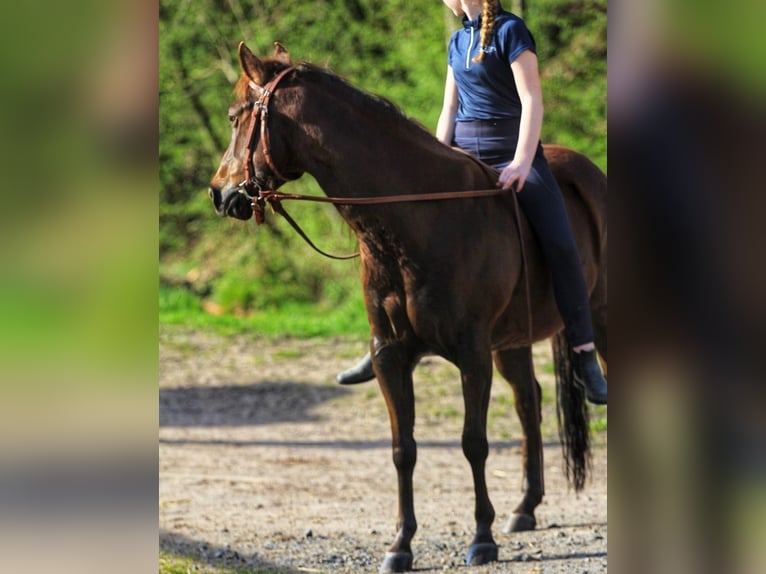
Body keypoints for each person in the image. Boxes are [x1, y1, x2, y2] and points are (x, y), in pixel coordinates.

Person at [336, 0, 607, 405]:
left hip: (513, 152)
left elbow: (532, 99)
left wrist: (520, 160)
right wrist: (434, 158)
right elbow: (449, 108)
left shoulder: (511, 31)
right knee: (405, 237)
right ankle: (389, 339)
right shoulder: (457, 39)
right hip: (464, 152)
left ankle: (585, 353)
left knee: (562, 243)